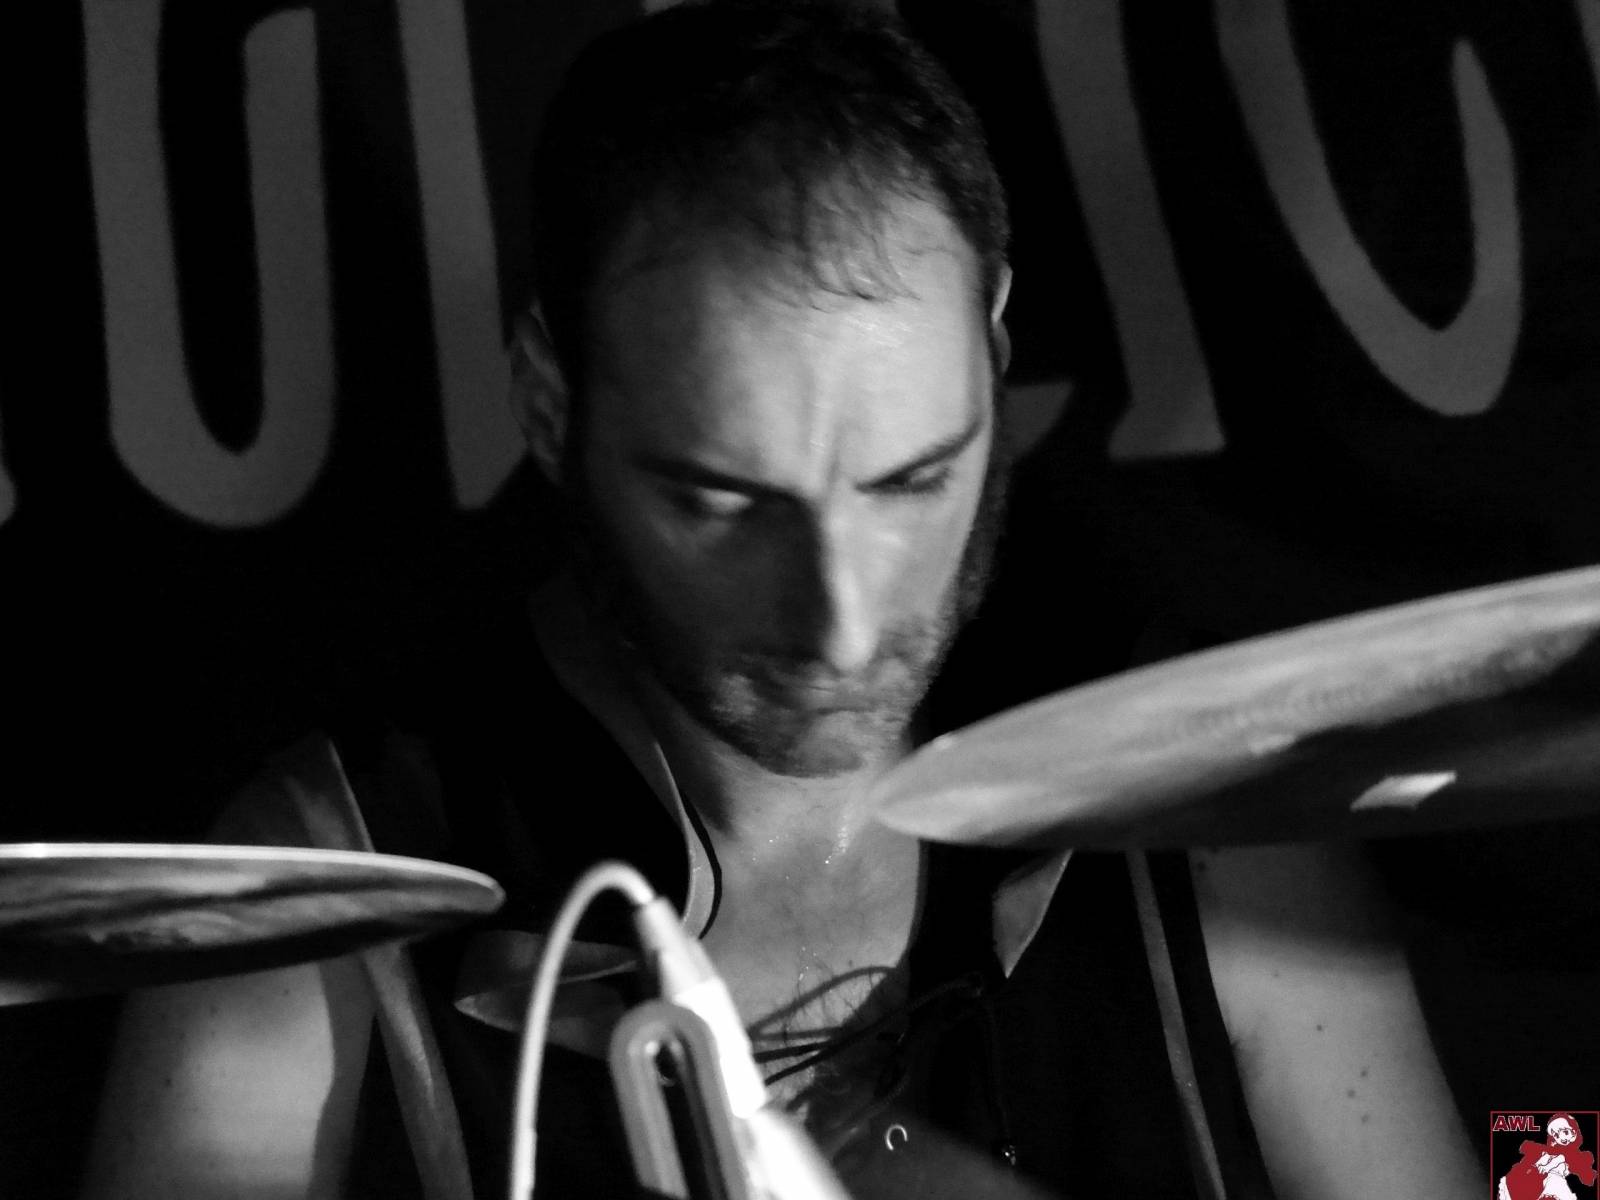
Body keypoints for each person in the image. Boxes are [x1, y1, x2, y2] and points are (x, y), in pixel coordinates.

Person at [79, 2, 1481, 1198]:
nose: (843, 624)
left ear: (993, 351)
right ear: (550, 400)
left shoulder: (1201, 810)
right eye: (726, 502)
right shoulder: (320, 891)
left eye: (913, 481)